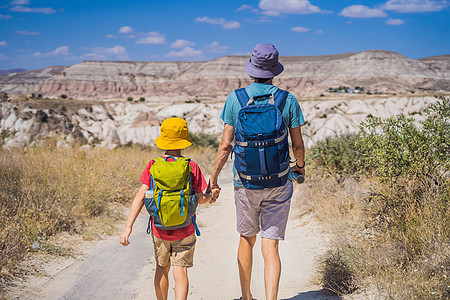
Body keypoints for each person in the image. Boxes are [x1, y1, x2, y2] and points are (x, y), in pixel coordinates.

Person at [209, 43, 306, 300]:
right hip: (279, 181)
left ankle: (246, 297)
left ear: (251, 68)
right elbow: (298, 144)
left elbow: (225, 145)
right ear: (274, 70)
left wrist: (214, 177)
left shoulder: (236, 98)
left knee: (246, 239)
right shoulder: (288, 100)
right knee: (271, 245)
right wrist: (300, 166)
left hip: (245, 182)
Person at [119, 117, 219, 300]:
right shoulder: (191, 166)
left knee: (161, 268)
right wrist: (211, 195)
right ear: (184, 140)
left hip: (160, 230)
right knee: (180, 271)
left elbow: (140, 197)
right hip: (185, 228)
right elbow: (201, 199)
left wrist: (128, 227)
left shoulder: (153, 165)